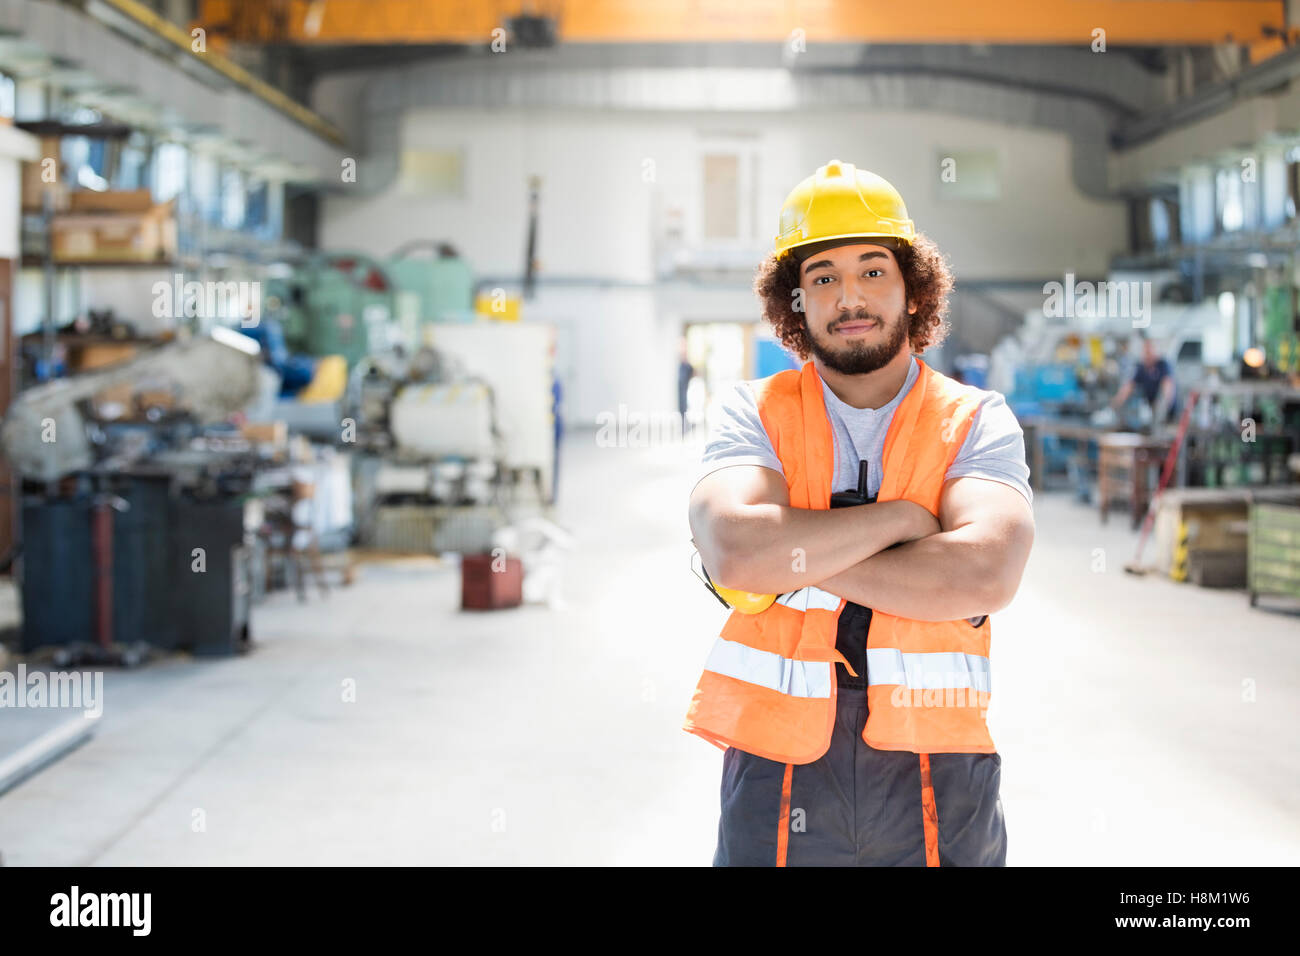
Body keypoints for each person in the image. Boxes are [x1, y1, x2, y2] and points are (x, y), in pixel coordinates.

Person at [683, 160, 1035, 866]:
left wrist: (796, 559)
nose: (850, 296)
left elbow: (987, 571)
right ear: (797, 303)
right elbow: (736, 551)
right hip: (778, 761)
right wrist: (905, 519)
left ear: (913, 289)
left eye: (873, 271)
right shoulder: (754, 411)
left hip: (940, 767)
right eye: (823, 277)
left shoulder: (974, 420)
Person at [1110, 335, 1176, 424]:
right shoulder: (1141, 368)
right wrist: (1116, 402)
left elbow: (1167, 386)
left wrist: (1163, 404)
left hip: (1169, 411)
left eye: (1149, 351)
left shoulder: (1163, 365)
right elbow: (1129, 386)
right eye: (1145, 351)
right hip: (1153, 408)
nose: (1147, 354)